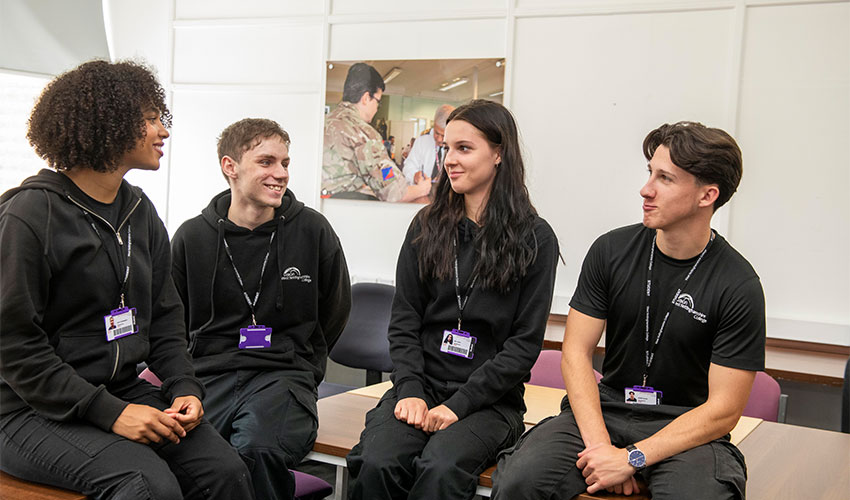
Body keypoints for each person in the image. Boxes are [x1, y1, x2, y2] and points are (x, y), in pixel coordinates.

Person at [0, 59, 253, 499]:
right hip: (26, 408)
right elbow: (14, 346)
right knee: (147, 486)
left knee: (225, 471)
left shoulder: (140, 212)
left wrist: (183, 387)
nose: (164, 132)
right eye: (152, 119)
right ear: (109, 124)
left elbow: (166, 317)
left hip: (117, 391)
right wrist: (112, 413)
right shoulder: (29, 215)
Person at [493, 122, 765, 500]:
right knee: (520, 481)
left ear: (707, 195)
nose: (646, 189)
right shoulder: (611, 251)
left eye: (665, 179)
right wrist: (602, 449)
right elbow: (575, 353)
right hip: (605, 414)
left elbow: (723, 410)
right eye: (650, 173)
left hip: (685, 427)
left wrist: (632, 458)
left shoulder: (738, 284)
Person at [346, 100, 560, 500]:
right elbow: (405, 320)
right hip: (420, 388)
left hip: (489, 403)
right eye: (447, 149)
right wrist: (409, 389)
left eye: (465, 148)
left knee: (441, 467)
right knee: (378, 461)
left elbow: (523, 346)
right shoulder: (427, 226)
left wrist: (460, 404)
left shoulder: (535, 239)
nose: (449, 160)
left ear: (499, 154)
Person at [171, 118, 351, 500]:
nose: (281, 173)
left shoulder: (312, 231)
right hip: (210, 376)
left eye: (285, 163)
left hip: (282, 374)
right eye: (267, 162)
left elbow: (334, 310)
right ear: (230, 166)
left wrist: (306, 365)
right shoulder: (192, 237)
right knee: (185, 456)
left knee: (257, 450)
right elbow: (172, 321)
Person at [322, 62, 430, 201]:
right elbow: (393, 190)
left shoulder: (324, 122)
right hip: (349, 211)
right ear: (366, 98)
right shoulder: (363, 133)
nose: (377, 108)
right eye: (378, 101)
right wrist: (422, 189)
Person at [402, 104, 455, 186]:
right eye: (437, 133)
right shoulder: (422, 141)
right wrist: (414, 176)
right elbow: (408, 166)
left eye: (443, 135)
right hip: (424, 192)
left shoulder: (456, 147)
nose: (439, 139)